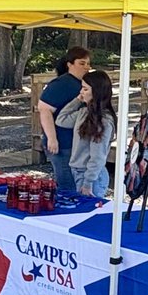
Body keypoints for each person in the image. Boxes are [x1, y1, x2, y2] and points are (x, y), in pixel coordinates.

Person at [37, 46, 91, 191]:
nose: (86, 67)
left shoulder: (81, 83)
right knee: (67, 184)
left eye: (88, 63)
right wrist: (52, 138)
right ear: (69, 64)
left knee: (76, 182)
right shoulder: (61, 83)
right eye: (82, 63)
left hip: (75, 142)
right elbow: (44, 109)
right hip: (62, 142)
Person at [55, 69, 116, 198]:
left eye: (85, 89)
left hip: (91, 176)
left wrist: (88, 182)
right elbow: (61, 120)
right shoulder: (83, 113)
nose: (82, 92)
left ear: (97, 92)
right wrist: (77, 100)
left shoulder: (104, 120)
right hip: (77, 170)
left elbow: (98, 155)